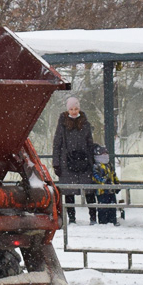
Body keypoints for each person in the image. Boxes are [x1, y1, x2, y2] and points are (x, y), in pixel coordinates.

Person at [52, 96, 94, 224]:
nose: (74, 111)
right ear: (68, 110)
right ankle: (72, 218)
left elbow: (89, 143)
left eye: (76, 108)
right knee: (68, 192)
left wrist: (91, 162)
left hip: (84, 161)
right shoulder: (63, 124)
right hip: (66, 162)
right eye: (71, 109)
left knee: (89, 191)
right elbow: (57, 144)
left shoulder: (85, 124)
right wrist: (56, 164)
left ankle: (93, 217)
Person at [91, 145, 120, 225]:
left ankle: (113, 220)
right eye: (103, 154)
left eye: (106, 154)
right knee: (103, 207)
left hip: (111, 190)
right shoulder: (96, 166)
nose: (105, 156)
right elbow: (95, 177)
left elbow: (113, 175)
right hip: (102, 191)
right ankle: (103, 222)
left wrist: (117, 183)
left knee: (112, 206)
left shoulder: (109, 165)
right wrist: (104, 181)